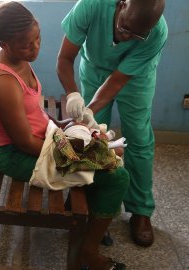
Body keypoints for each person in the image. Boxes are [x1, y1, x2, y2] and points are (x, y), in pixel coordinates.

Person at [0, 2, 129, 269]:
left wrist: (63, 124)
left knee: (103, 145)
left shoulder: (18, 58)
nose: (36, 47)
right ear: (4, 45)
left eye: (37, 38)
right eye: (27, 44)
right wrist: (80, 152)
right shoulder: (3, 82)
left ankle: (86, 218)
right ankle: (88, 250)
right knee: (116, 175)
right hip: (18, 155)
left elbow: (33, 111)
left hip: (41, 139)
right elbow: (23, 142)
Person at [57, 0, 167, 247]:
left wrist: (87, 111)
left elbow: (116, 82)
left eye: (137, 35)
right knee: (93, 137)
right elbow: (64, 58)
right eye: (124, 27)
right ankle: (94, 208)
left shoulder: (157, 32)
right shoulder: (91, 5)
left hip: (135, 78)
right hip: (95, 69)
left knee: (138, 139)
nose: (127, 37)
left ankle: (140, 211)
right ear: (121, 4)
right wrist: (76, 99)